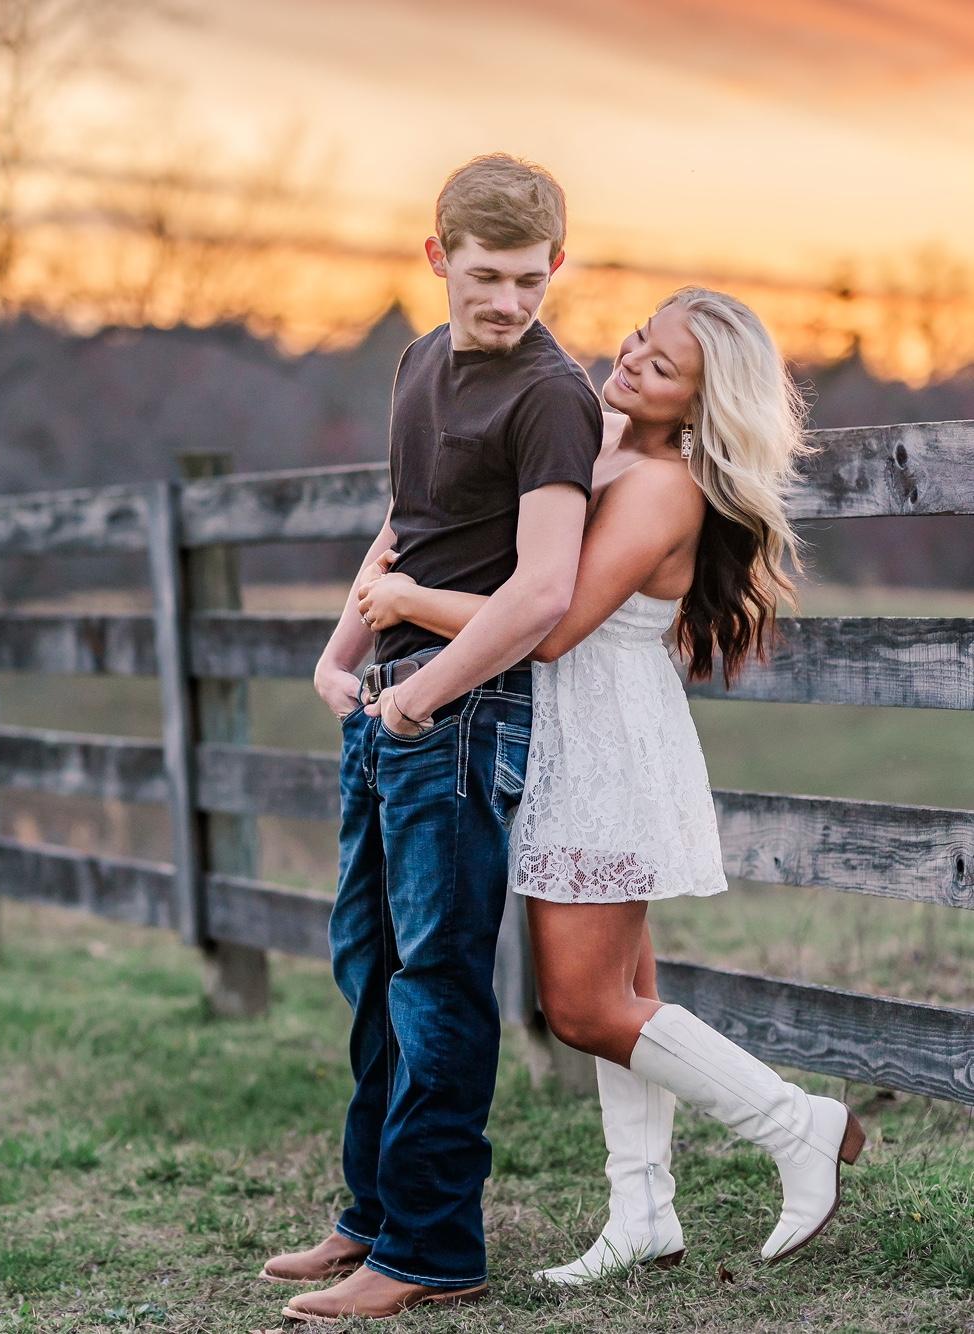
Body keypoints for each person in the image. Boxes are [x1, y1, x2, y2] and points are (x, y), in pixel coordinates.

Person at [354, 286, 865, 1285]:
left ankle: (795, 1123)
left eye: (661, 367)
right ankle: (643, 1211)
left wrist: (410, 596)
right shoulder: (607, 444)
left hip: (603, 747)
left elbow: (549, 624)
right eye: (639, 338)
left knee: (584, 1006)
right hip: (578, 734)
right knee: (626, 994)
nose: (630, 360)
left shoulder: (663, 486)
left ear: (699, 404)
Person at [258, 153, 603, 1323]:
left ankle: (433, 1244)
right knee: (368, 969)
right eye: (484, 276)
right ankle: (370, 1215)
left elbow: (540, 589)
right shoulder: (415, 363)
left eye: (528, 279)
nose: (506, 301)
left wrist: (423, 697)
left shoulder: (550, 395)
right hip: (385, 706)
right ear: (435, 258)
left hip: (463, 715)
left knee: (438, 983)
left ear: (556, 266)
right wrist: (342, 655)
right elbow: (404, 528)